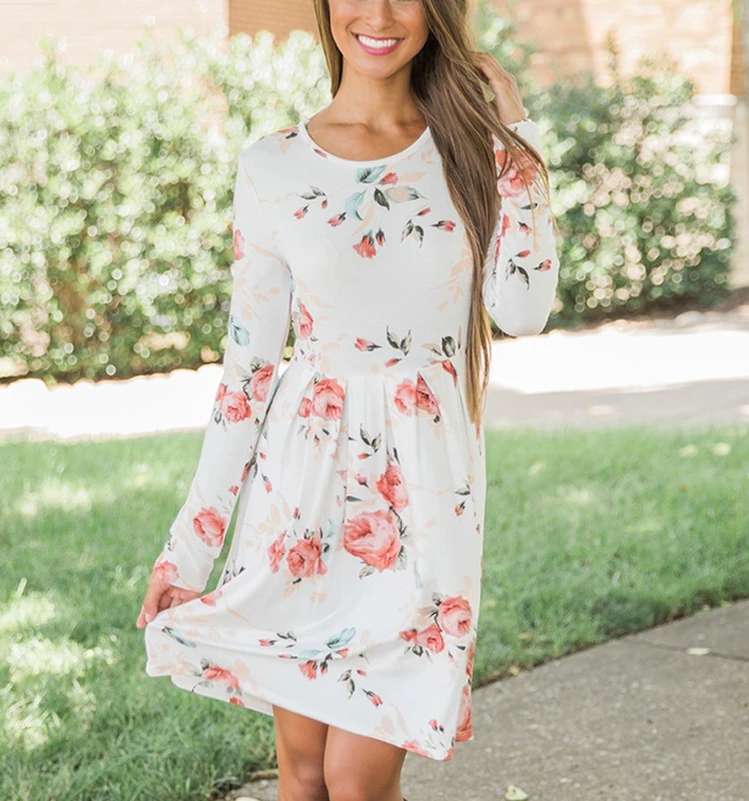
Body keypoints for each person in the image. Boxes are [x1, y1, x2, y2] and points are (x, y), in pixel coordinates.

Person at [136, 0, 559, 798]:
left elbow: (523, 309)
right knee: (302, 772)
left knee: (355, 778)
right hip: (298, 494)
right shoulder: (272, 166)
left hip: (422, 500)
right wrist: (186, 550)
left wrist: (516, 140)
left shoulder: (473, 152)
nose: (379, 14)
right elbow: (247, 370)